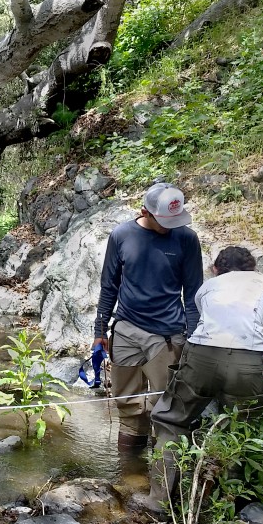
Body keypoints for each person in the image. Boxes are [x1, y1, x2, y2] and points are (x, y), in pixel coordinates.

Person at [132, 245, 263, 513]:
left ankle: (158, 501)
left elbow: (204, 318)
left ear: (216, 269)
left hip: (201, 357)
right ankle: (224, 509)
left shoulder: (209, 286)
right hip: (248, 364)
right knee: (240, 433)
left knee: (172, 422)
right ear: (253, 268)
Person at [93, 183, 203, 456]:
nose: (170, 226)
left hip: (167, 335)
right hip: (126, 329)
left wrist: (193, 336)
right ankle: (129, 476)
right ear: (145, 212)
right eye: (164, 221)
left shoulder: (186, 239)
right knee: (127, 403)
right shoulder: (121, 235)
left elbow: (193, 292)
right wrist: (100, 331)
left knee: (165, 406)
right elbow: (109, 286)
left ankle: (162, 482)